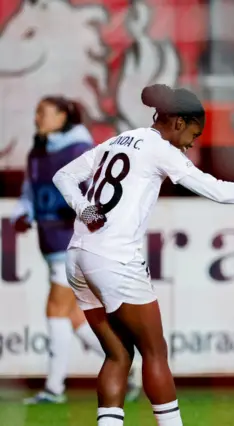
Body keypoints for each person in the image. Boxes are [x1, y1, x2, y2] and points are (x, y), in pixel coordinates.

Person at [52, 84, 234, 426]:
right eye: (194, 132)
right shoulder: (162, 149)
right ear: (178, 123)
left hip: (78, 257)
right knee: (155, 352)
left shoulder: (122, 139)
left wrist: (84, 208)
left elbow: (64, 176)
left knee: (117, 355)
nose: (193, 142)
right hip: (114, 259)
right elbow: (217, 191)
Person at [12, 96, 142, 405]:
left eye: (44, 112)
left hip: (73, 243)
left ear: (63, 116)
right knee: (73, 318)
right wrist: (23, 213)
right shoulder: (38, 151)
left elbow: (100, 196)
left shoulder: (80, 152)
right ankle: (127, 361)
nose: (38, 117)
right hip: (50, 242)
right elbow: (30, 192)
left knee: (55, 309)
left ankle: (54, 389)